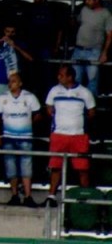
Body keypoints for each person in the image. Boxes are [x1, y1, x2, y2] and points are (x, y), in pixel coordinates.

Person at [44, 65, 96, 207]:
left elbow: (91, 112)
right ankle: (51, 196)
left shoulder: (84, 92)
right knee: (55, 167)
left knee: (82, 168)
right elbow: (48, 108)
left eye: (61, 75)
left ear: (70, 77)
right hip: (59, 135)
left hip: (78, 136)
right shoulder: (54, 90)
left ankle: (86, 197)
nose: (58, 77)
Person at [0, 73, 41, 208]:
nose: (10, 83)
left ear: (20, 83)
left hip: (26, 137)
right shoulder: (2, 98)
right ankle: (14, 195)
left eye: (14, 81)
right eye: (9, 81)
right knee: (10, 166)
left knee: (26, 167)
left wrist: (28, 123)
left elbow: (38, 114)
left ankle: (28, 196)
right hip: (8, 137)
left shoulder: (30, 97)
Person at [71, 0, 111, 95]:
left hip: (94, 51)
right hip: (78, 49)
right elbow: (78, 23)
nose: (86, 2)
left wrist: (104, 53)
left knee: (92, 81)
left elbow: (109, 35)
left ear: (97, 0)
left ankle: (91, 108)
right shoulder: (84, 10)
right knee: (75, 79)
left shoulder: (106, 14)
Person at [0, 24, 34, 110]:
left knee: (9, 111)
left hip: (12, 84)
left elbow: (30, 58)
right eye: (7, 31)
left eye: (12, 32)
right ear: (4, 31)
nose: (9, 34)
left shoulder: (19, 43)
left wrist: (15, 47)